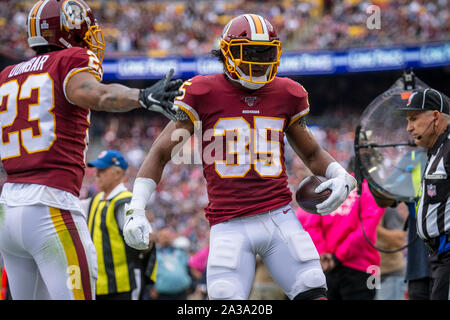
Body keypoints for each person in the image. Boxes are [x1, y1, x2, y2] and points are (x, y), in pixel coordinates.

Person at [123, 13, 357, 300]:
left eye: (266, 53)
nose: (259, 62)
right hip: (228, 223)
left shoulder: (287, 93)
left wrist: (340, 174)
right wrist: (136, 207)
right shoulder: (203, 91)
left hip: (278, 216)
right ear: (227, 52)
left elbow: (311, 152)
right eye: (250, 52)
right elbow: (160, 153)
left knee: (312, 286)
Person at [0, 0, 181, 300]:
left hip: (8, 209)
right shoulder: (70, 59)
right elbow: (94, 92)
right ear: (67, 29)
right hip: (51, 206)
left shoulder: (7, 75)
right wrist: (142, 96)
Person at [296, 158, 385, 300]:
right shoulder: (374, 191)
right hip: (364, 267)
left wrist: (324, 253)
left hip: (326, 266)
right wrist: (336, 257)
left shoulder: (332, 189)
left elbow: (312, 225)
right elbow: (364, 233)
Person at [394, 88, 450, 300]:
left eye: (414, 119)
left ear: (435, 116)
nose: (408, 128)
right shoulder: (436, 151)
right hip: (436, 256)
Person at [83, 149, 152, 300]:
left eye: (102, 170)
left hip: (124, 285)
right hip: (99, 284)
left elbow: (147, 240)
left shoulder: (125, 201)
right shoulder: (96, 199)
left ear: (118, 173)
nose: (96, 174)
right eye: (96, 170)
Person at [148, 228, 192, 300]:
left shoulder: (180, 252)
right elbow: (149, 272)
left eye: (167, 235)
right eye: (163, 236)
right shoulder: (154, 254)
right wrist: (150, 288)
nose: (166, 238)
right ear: (158, 238)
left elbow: (187, 268)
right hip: (162, 294)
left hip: (181, 293)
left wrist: (189, 284)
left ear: (171, 237)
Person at [375, 206, 407, 300]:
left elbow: (399, 240)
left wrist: (377, 228)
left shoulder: (387, 207)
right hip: (371, 274)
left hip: (390, 274)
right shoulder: (362, 205)